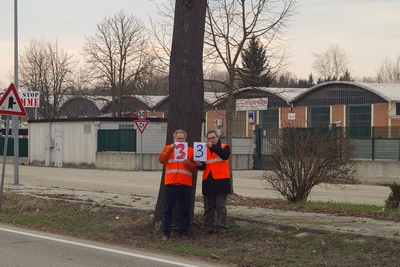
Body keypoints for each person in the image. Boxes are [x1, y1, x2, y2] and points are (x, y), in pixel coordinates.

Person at [158, 129, 197, 240]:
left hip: (185, 183)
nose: (180, 140)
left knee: (185, 209)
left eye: (182, 138)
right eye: (178, 138)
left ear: (185, 140)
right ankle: (166, 232)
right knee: (167, 209)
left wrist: (188, 164)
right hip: (171, 183)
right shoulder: (167, 148)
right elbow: (161, 160)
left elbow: (195, 168)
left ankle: (184, 232)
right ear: (174, 139)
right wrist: (170, 149)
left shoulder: (190, 151)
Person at [196, 129, 231, 237]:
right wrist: (199, 165)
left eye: (213, 138)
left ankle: (223, 229)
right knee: (208, 207)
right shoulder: (204, 150)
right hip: (208, 180)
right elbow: (204, 166)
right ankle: (208, 228)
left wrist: (213, 147)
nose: (210, 140)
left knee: (221, 206)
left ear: (218, 138)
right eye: (209, 138)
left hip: (221, 180)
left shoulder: (224, 147)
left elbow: (224, 155)